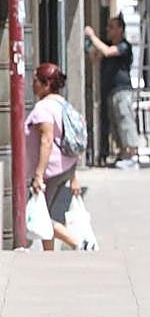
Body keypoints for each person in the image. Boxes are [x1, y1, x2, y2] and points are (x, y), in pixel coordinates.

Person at [25, 62, 90, 251]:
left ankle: (79, 243)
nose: (33, 84)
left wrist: (38, 174)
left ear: (46, 84)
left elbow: (47, 141)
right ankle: (49, 253)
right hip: (65, 167)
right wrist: (73, 176)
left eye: (36, 80)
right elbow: (68, 141)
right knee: (47, 211)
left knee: (40, 215)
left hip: (50, 170)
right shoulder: (63, 104)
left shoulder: (43, 108)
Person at [85, 16, 138, 170]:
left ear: (120, 29)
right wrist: (88, 43)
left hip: (122, 90)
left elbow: (108, 52)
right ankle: (122, 153)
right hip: (110, 90)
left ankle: (131, 154)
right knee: (115, 125)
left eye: (111, 27)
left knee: (125, 121)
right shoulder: (106, 45)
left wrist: (93, 36)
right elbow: (95, 57)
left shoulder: (124, 46)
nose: (108, 30)